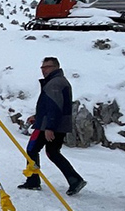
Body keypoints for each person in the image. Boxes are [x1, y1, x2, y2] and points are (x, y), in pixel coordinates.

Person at [19, 56, 87, 196]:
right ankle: (75, 180)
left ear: (56, 68)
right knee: (53, 152)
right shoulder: (58, 82)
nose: (44, 70)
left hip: (47, 126)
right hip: (57, 124)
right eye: (42, 67)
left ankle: (33, 181)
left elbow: (55, 107)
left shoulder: (55, 83)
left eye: (47, 67)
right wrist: (37, 117)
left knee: (32, 150)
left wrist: (49, 127)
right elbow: (52, 106)